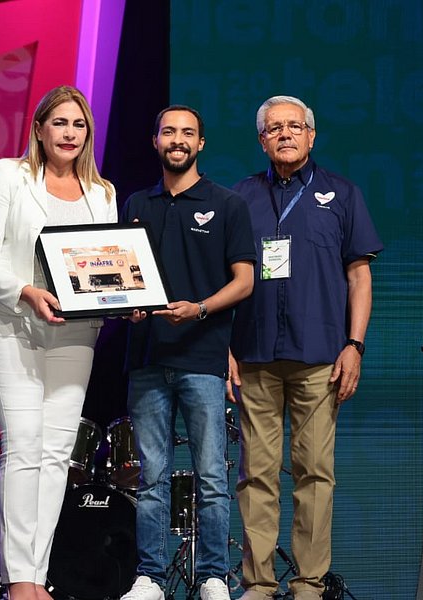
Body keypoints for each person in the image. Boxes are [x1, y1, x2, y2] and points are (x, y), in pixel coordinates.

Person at [0, 85, 117, 600]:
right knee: (24, 445)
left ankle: (38, 573)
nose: (70, 133)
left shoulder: (102, 193)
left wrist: (126, 296)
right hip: (14, 324)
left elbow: (107, 265)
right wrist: (26, 292)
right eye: (60, 123)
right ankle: (18, 580)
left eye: (79, 124)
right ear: (39, 129)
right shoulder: (9, 175)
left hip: (76, 332)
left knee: (56, 454)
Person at [229, 95, 382, 600]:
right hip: (254, 354)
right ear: (262, 140)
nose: (286, 134)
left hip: (321, 356)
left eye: (295, 126)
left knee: (315, 473)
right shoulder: (240, 197)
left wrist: (355, 344)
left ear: (312, 136)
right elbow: (224, 279)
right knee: (256, 475)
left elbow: (359, 277)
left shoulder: (342, 194)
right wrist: (224, 348)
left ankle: (309, 585)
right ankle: (258, 583)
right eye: (275, 128)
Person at [119, 105, 255, 600]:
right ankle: (151, 578)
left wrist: (199, 309)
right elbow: (121, 275)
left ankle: (213, 576)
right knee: (151, 477)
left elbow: (246, 280)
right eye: (168, 131)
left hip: (202, 357)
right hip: (147, 358)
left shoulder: (227, 204)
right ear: (155, 141)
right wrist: (129, 307)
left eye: (188, 133)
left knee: (212, 476)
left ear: (201, 144)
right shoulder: (136, 202)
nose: (177, 140)